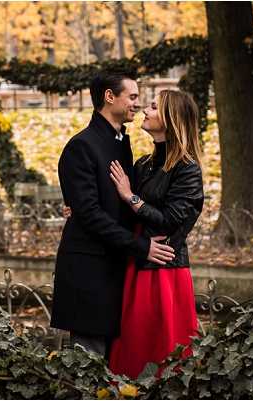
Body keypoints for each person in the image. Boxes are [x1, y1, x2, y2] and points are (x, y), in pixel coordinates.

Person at [63, 90, 204, 378]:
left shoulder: (187, 168)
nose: (145, 109)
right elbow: (117, 209)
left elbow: (170, 220)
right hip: (136, 262)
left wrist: (131, 197)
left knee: (162, 355)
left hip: (164, 270)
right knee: (129, 353)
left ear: (171, 118)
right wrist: (78, 207)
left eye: (153, 106)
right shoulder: (143, 164)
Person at [50, 72, 176, 359]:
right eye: (132, 97)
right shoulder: (81, 146)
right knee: (89, 368)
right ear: (109, 97)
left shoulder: (121, 142)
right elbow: (90, 215)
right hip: (90, 272)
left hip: (117, 270)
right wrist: (141, 247)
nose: (137, 103)